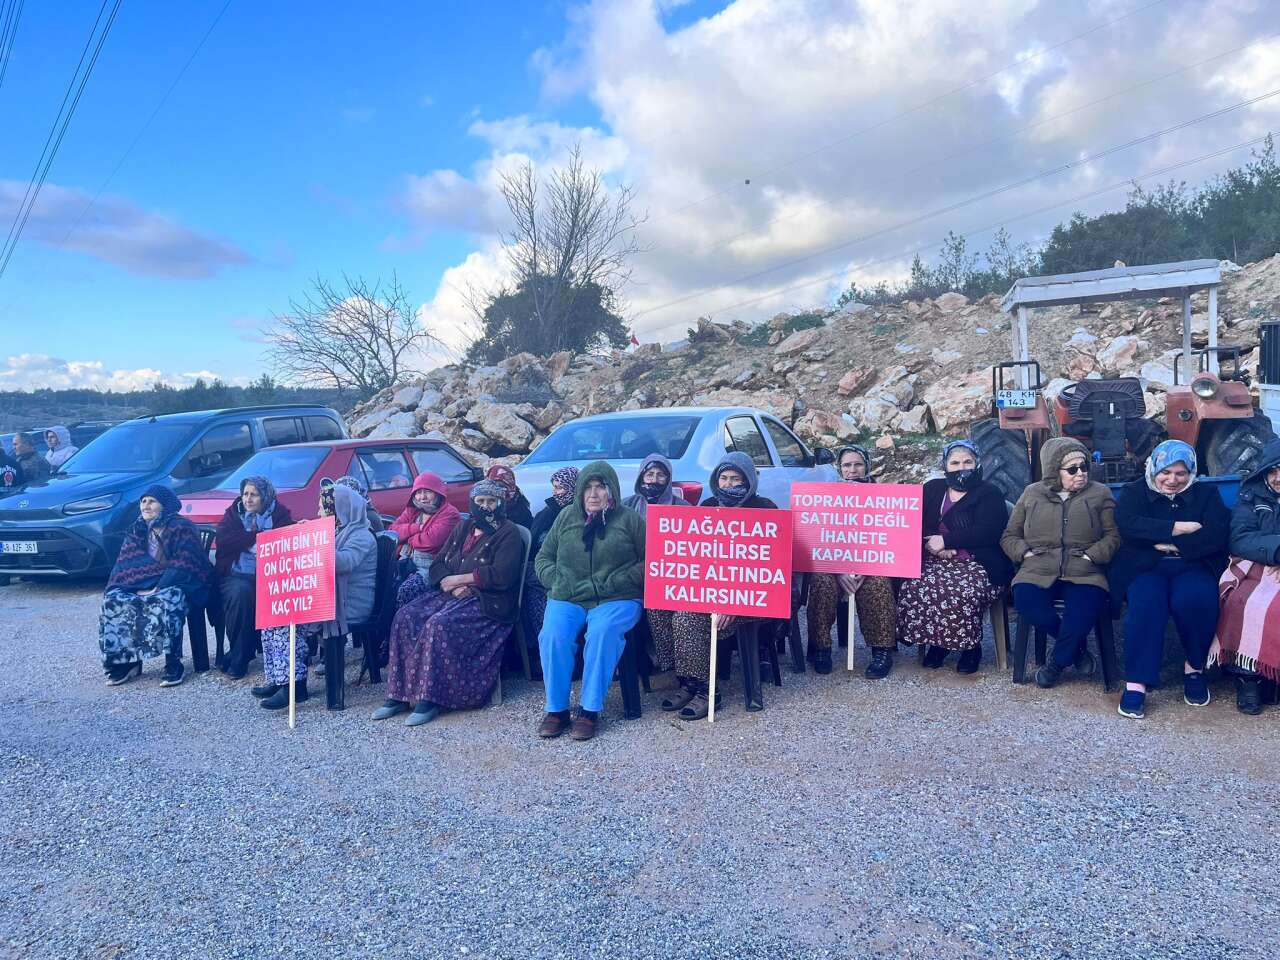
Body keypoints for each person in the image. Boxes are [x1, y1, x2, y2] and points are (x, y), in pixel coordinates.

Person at [374, 480, 524, 726]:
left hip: (488, 600)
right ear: (472, 503)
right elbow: (439, 562)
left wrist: (465, 580)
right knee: (406, 616)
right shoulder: (465, 526)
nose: (485, 507)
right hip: (451, 592)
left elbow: (503, 574)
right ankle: (400, 694)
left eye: (491, 502)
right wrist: (449, 582)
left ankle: (431, 698)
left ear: (500, 504)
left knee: (438, 624)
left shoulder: (508, 532)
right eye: (480, 501)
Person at [1111, 440, 1229, 720]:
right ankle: (1137, 683)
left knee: (1196, 600)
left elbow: (1217, 534)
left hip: (1192, 565)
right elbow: (1127, 526)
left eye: (1180, 473)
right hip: (1145, 567)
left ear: (1191, 472)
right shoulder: (1134, 491)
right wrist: (1178, 528)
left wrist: (1166, 544)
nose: (1172, 480)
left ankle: (1194, 669)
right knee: (1146, 604)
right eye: (1165, 472)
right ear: (1153, 468)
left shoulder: (1206, 494)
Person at [535, 460, 646, 741]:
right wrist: (556, 580)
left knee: (602, 633)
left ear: (612, 491)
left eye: (601, 487)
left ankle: (589, 710)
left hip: (616, 596)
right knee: (553, 635)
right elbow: (543, 557)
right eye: (588, 488)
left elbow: (651, 559)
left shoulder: (629, 520)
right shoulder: (565, 518)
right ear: (580, 491)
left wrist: (621, 580)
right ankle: (557, 710)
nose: (594, 494)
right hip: (569, 594)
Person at [667, 452, 779, 719]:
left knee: (685, 618)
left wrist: (734, 602)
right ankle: (689, 680)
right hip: (709, 592)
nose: (728, 484)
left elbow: (770, 566)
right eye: (724, 478)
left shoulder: (765, 509)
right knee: (661, 608)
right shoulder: (706, 507)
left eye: (736, 479)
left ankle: (708, 691)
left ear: (749, 480)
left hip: (752, 598)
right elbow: (693, 554)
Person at [1001, 438, 1120, 688]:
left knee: (1083, 609)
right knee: (1027, 601)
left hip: (1084, 569)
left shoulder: (1100, 493)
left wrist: (1093, 555)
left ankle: (1056, 665)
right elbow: (1009, 536)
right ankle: (1077, 651)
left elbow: (1113, 536)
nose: (1081, 474)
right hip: (1038, 567)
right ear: (1055, 470)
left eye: (1084, 467)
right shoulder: (1032, 493)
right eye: (1072, 469)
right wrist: (1024, 553)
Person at [256, 483, 378, 710]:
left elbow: (344, 563)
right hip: (329, 598)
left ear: (338, 510)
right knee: (275, 615)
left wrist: (314, 542)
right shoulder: (337, 530)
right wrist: (306, 535)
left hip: (347, 604)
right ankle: (286, 681)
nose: (318, 512)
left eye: (323, 508)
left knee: (286, 622)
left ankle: (291, 686)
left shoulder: (361, 535)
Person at [897, 440, 1013, 673]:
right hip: (935, 557)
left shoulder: (989, 493)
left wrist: (949, 541)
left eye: (968, 461)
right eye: (955, 462)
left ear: (977, 463)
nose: (962, 467)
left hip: (978, 561)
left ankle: (971, 648)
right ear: (945, 466)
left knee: (960, 589)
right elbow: (911, 523)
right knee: (914, 585)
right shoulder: (932, 489)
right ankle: (938, 643)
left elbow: (988, 531)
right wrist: (935, 546)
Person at [99, 485, 212, 687]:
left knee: (168, 599)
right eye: (143, 501)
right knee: (114, 600)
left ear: (165, 505)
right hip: (142, 584)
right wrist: (133, 587)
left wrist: (159, 586)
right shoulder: (137, 528)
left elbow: (186, 562)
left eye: (152, 501)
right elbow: (126, 563)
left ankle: (173, 664)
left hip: (180, 583)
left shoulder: (181, 526)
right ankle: (125, 663)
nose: (146, 505)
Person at [804, 444, 899, 678]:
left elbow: (892, 538)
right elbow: (819, 537)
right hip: (836, 566)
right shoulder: (827, 497)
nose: (852, 470)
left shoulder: (884, 497)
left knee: (878, 585)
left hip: (872, 565)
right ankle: (821, 647)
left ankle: (882, 651)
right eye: (847, 465)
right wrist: (838, 570)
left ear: (866, 466)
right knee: (821, 583)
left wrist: (866, 566)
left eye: (857, 464)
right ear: (840, 468)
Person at [1213, 439, 1280, 715]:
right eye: (1273, 470)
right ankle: (1248, 678)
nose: (1278, 478)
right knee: (1242, 601)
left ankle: (1272, 674)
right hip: (1255, 566)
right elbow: (1241, 539)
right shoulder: (1250, 497)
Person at [214, 476, 295, 679]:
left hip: (271, 576)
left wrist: (250, 540)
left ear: (265, 496)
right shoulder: (234, 513)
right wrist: (257, 537)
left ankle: (241, 654)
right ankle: (240, 659)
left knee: (263, 593)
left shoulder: (279, 515)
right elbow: (223, 540)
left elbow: (285, 542)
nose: (248, 499)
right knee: (241, 594)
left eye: (254, 494)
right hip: (235, 574)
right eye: (245, 494)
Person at [620, 453, 691, 681]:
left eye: (661, 475)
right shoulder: (627, 506)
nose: (654, 479)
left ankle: (671, 666)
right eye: (649, 474)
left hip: (672, 576)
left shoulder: (683, 507)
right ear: (641, 476)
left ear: (669, 478)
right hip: (635, 573)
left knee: (661, 605)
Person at [522, 466, 579, 654]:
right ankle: (540, 651)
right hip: (542, 566)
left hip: (565, 570)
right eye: (553, 487)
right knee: (528, 589)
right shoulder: (547, 512)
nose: (555, 492)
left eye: (560, 488)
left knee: (524, 579)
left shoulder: (576, 513)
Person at [390, 471, 461, 608]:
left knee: (407, 590)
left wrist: (407, 538)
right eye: (418, 492)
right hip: (406, 562)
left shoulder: (450, 514)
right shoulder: (413, 510)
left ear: (438, 492)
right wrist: (418, 527)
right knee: (384, 588)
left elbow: (430, 541)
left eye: (427, 492)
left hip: (431, 567)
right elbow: (393, 531)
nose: (422, 497)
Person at [485, 463, 534, 528]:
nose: (501, 490)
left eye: (502, 485)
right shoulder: (485, 501)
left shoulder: (519, 507)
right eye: (494, 485)